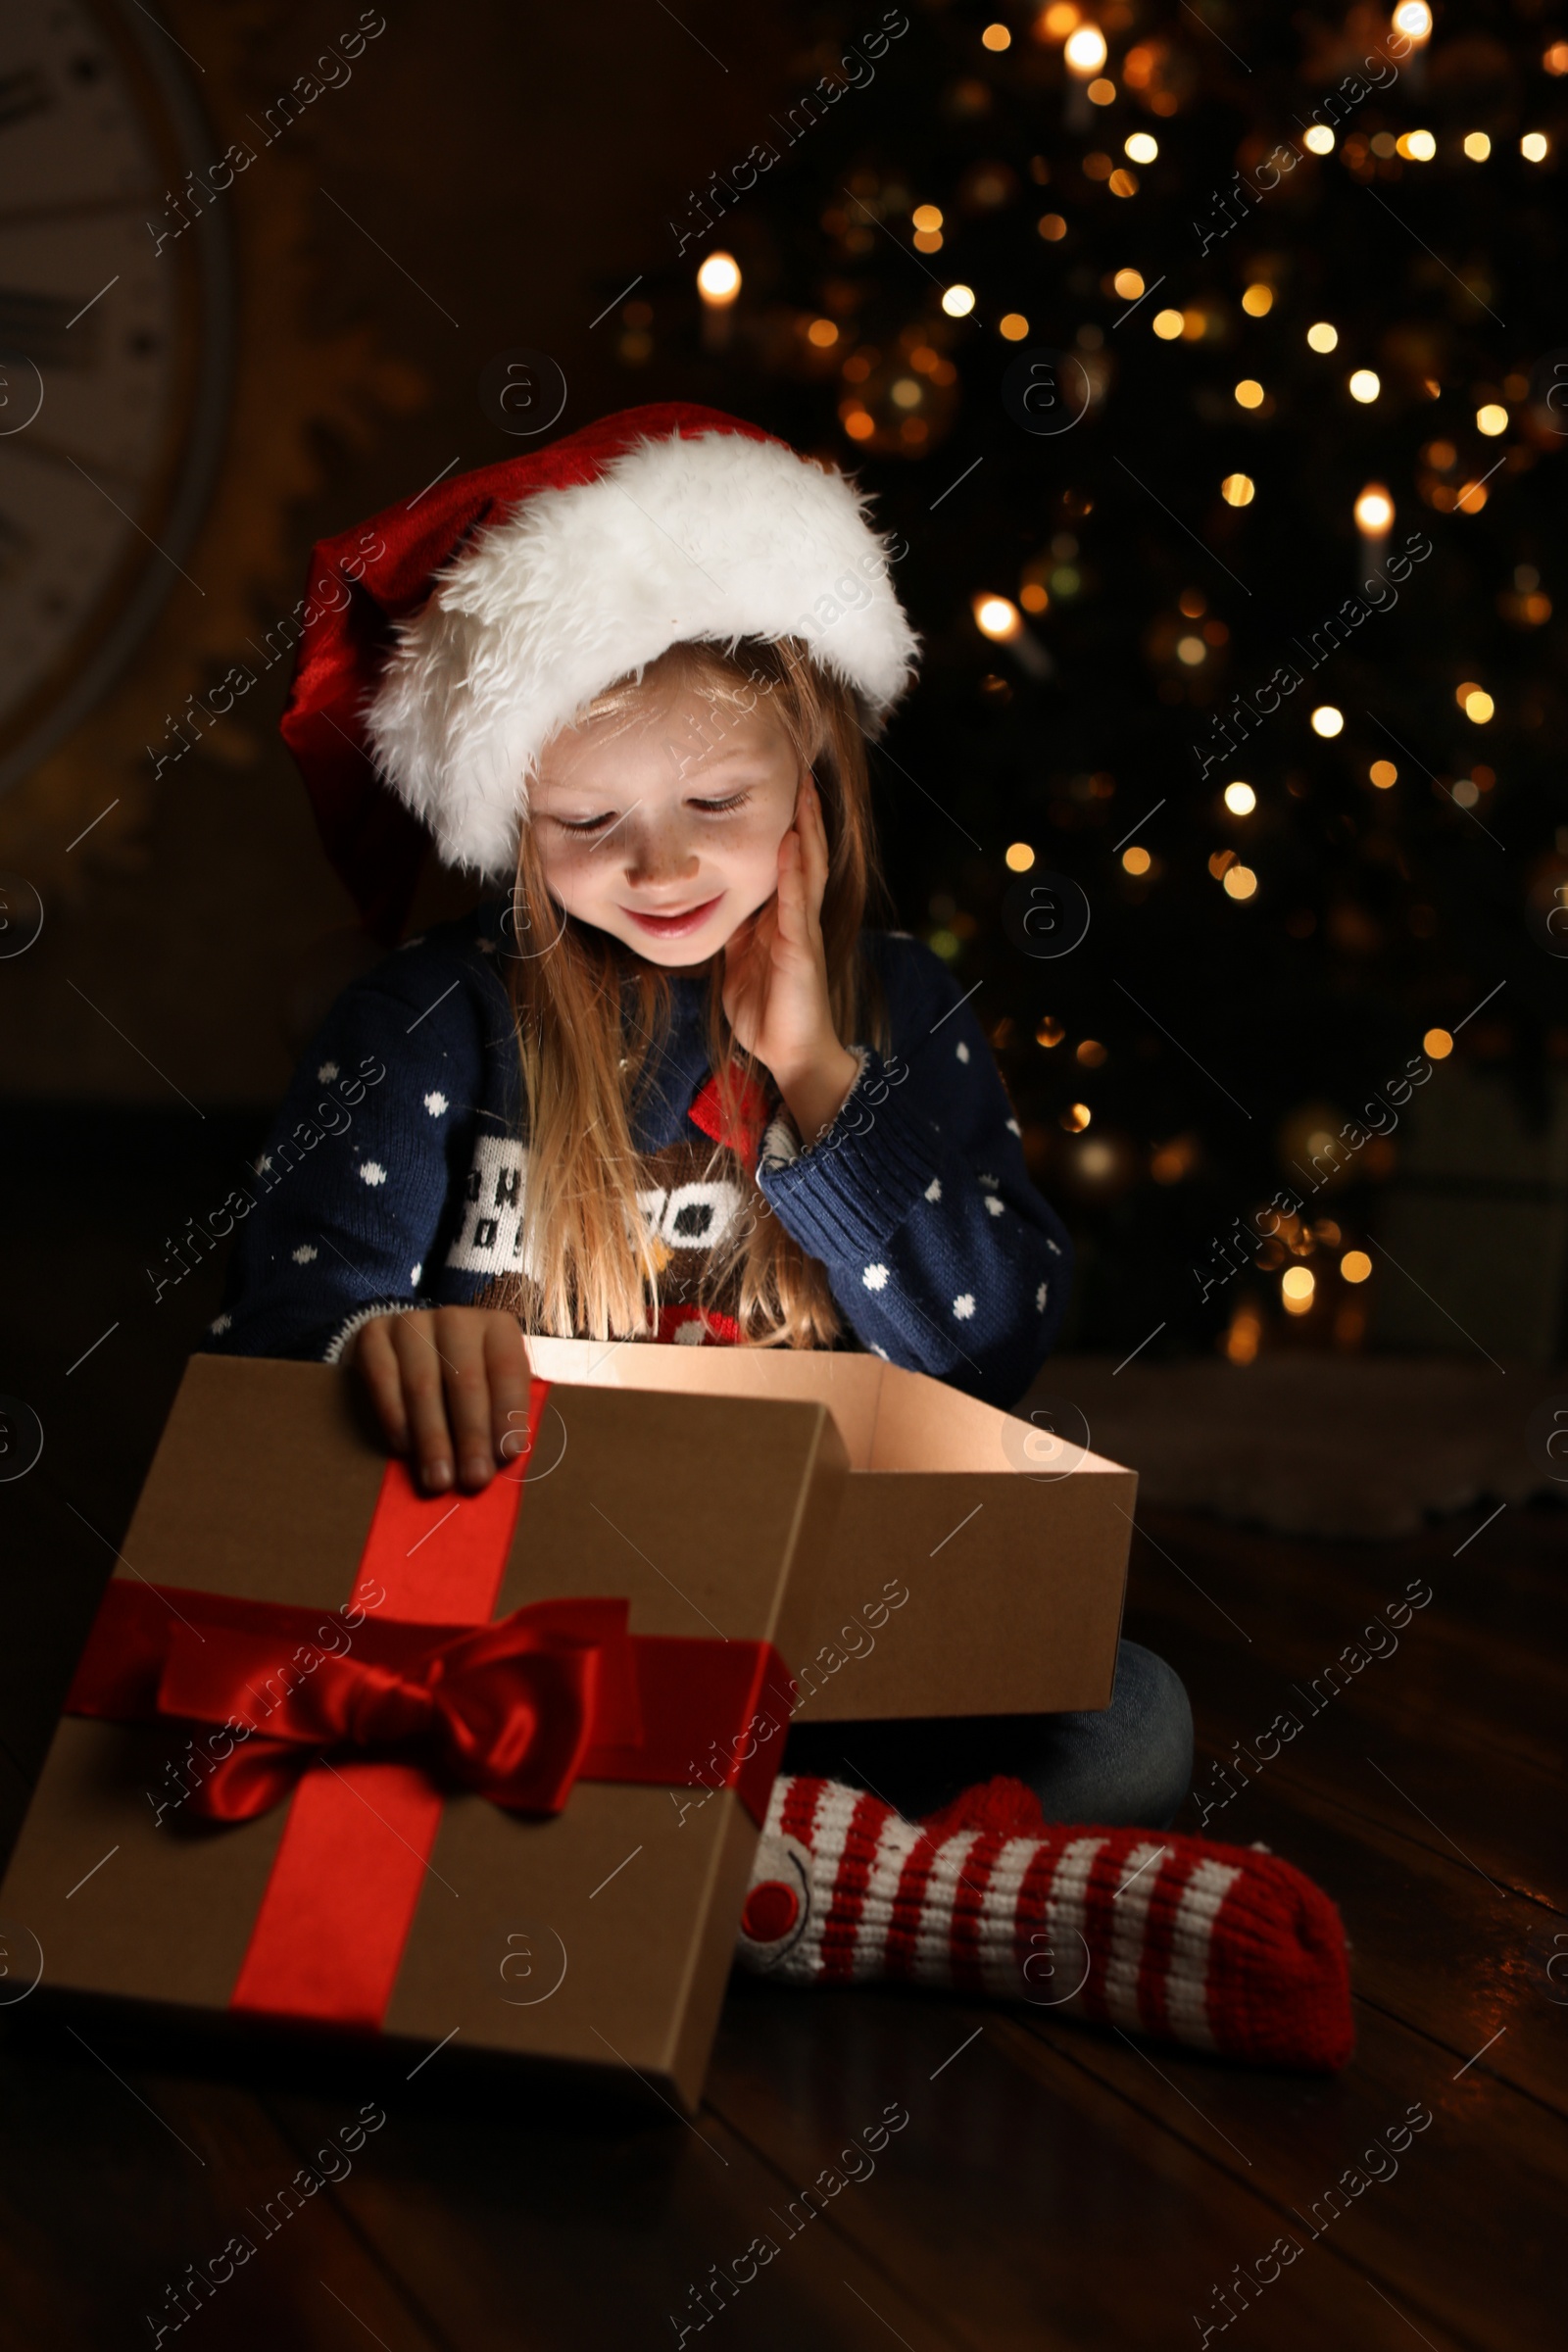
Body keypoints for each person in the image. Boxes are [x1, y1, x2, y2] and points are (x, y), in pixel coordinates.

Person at [204, 402, 1192, 1829]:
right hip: (516, 1644)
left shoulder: (900, 1011)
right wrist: (375, 1345)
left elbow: (993, 1350)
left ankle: (739, 1862)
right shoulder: (428, 1021)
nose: (659, 869)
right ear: (508, 818)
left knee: (1133, 1726)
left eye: (716, 799)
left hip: (817, 1648)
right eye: (586, 825)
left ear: (811, 774)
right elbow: (268, 1339)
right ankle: (788, 1879)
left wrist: (817, 1076)